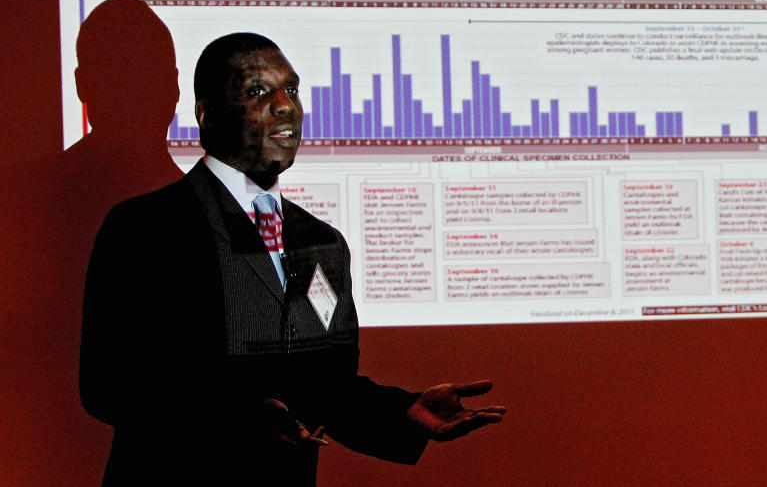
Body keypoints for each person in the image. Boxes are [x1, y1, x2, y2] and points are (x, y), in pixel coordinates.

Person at [80, 32, 505, 486]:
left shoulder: (323, 242)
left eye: (293, 90)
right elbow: (108, 385)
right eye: (258, 91)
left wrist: (403, 409)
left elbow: (326, 388)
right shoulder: (145, 226)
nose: (285, 106)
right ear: (206, 115)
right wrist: (239, 418)